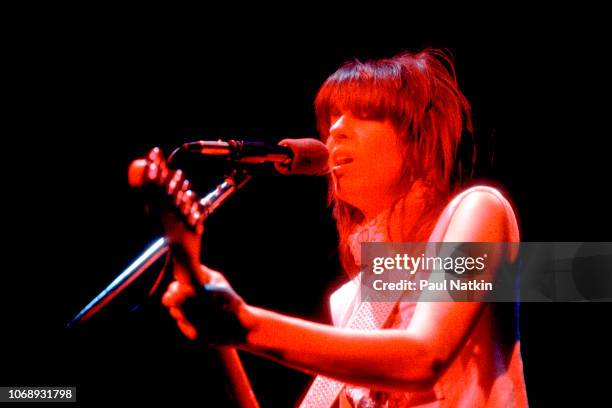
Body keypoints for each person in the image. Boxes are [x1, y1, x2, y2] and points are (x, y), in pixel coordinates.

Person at [150, 49, 528, 407]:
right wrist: (201, 292)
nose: (336, 130)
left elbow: (424, 355)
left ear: (418, 135)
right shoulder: (357, 301)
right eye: (332, 117)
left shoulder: (479, 212)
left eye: (363, 113)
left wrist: (248, 324)